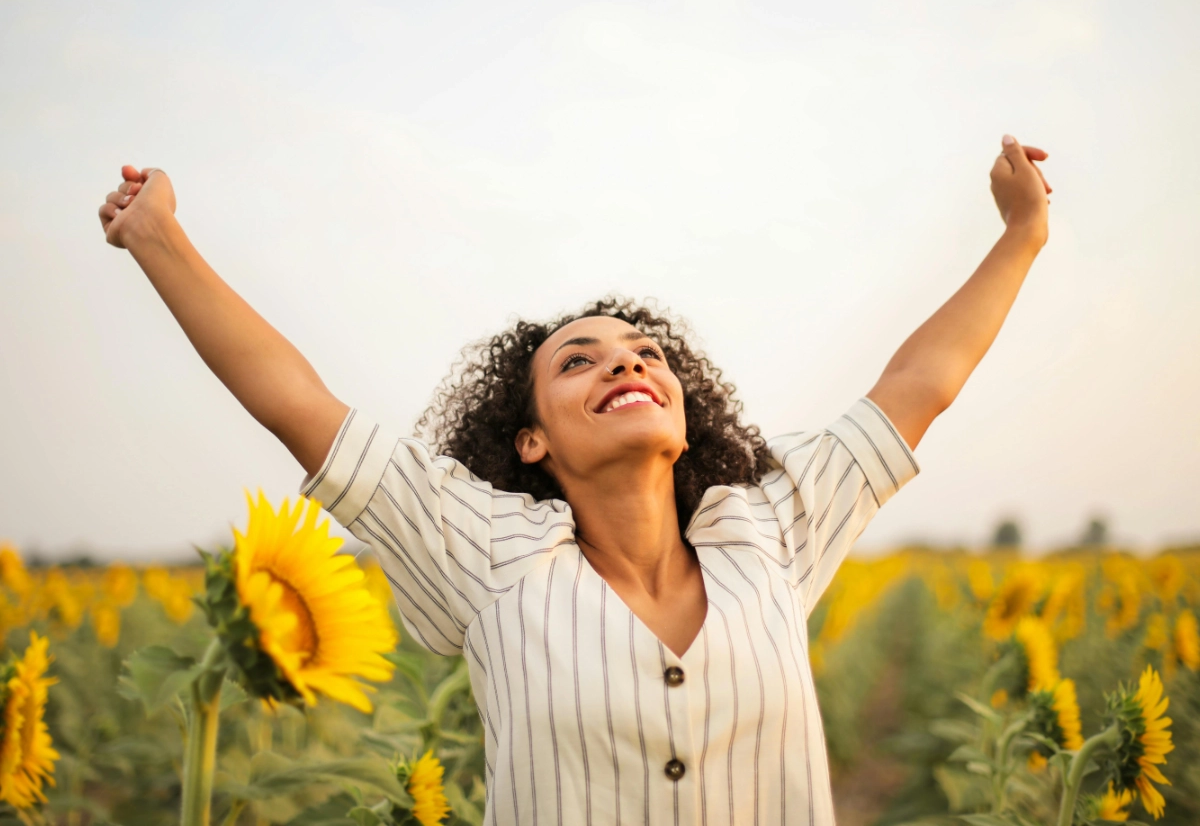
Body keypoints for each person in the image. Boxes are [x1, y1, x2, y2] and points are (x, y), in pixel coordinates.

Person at [95, 135, 1051, 825]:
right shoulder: (487, 557)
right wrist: (158, 237)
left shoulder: (768, 529)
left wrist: (1021, 235)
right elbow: (296, 405)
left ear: (684, 414)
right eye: (578, 362)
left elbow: (919, 387)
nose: (627, 366)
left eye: (645, 355)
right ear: (529, 443)